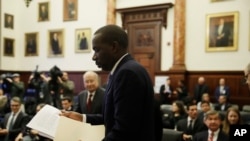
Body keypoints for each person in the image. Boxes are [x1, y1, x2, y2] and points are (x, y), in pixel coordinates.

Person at [61, 25, 156, 141]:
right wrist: (82, 117)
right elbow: (112, 118)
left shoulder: (127, 73)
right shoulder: (123, 70)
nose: (94, 57)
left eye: (97, 50)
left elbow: (124, 131)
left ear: (114, 47)